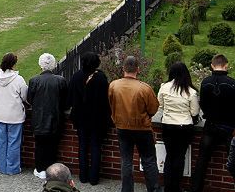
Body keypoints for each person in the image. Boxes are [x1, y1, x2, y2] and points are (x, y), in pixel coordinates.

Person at [108, 56, 160, 192]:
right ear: (138, 69)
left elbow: (111, 104)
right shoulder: (145, 88)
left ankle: (126, 190)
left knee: (126, 161)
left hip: (122, 128)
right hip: (142, 129)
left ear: (123, 68)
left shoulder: (114, 85)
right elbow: (153, 109)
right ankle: (153, 189)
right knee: (148, 161)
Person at [191, 54, 235, 192]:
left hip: (210, 126)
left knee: (202, 160)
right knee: (233, 162)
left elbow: (202, 104)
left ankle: (195, 189)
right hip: (228, 128)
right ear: (226, 65)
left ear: (212, 65)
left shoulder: (205, 82)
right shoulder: (232, 83)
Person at [66, 51, 110, 185]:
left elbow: (69, 99)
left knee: (82, 145)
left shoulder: (75, 77)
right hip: (97, 118)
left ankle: (83, 176)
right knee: (96, 146)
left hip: (80, 118)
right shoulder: (101, 78)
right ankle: (94, 178)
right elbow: (106, 100)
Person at [157, 62, 199, 192]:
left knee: (169, 156)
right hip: (184, 127)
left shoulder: (164, 87)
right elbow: (194, 112)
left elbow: (160, 104)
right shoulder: (190, 91)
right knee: (180, 157)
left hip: (168, 125)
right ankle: (176, 187)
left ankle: (168, 187)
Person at [27, 53, 67, 179]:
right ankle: (50, 170)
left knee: (40, 145)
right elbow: (65, 101)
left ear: (40, 65)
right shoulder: (60, 80)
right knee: (52, 145)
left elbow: (30, 99)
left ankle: (40, 169)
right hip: (55, 118)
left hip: (39, 118)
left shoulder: (34, 81)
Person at [0, 52, 28, 175]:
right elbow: (24, 96)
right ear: (14, 64)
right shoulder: (19, 79)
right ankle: (12, 168)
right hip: (14, 116)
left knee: (0, 142)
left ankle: (2, 167)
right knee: (14, 142)